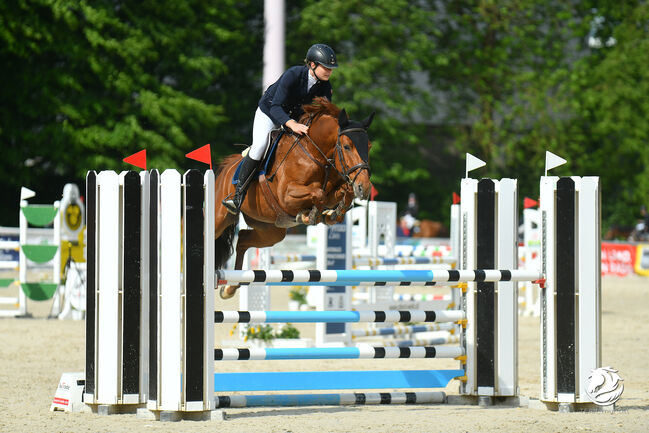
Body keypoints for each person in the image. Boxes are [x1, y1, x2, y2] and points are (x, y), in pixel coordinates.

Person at [223, 43, 339, 214]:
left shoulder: (325, 87)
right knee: (261, 145)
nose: (329, 71)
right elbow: (276, 106)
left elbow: (322, 114)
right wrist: (291, 124)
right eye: (326, 67)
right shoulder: (293, 74)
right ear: (312, 64)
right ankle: (238, 194)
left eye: (331, 68)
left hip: (296, 119)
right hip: (269, 113)